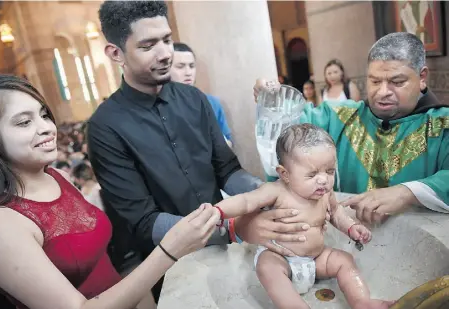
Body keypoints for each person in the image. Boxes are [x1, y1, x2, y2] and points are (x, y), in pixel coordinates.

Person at [89, 0, 315, 301]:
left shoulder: (194, 99)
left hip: (226, 247)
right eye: (148, 45)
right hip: (171, 265)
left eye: (167, 40)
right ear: (116, 53)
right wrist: (233, 227)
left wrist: (265, 193)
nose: (165, 53)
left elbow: (227, 170)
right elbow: (144, 222)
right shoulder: (106, 126)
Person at [0, 74, 219, 309]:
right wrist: (169, 250)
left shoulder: (58, 178)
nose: (46, 128)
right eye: (24, 122)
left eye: (44, 115)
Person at [251, 32, 449, 227]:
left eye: (397, 82)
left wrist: (407, 192)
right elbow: (288, 131)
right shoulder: (339, 118)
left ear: (422, 77)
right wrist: (271, 102)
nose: (383, 92)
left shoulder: (442, 126)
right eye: (374, 81)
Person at [215, 124, 393, 309]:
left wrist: (350, 227)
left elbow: (336, 213)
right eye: (312, 174)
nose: (323, 179)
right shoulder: (276, 191)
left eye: (330, 171)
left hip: (316, 259)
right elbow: (245, 202)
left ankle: (361, 301)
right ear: (285, 174)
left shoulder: (325, 193)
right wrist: (218, 212)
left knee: (344, 261)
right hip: (281, 257)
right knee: (267, 267)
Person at [170, 42, 233, 147]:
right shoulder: (161, 107)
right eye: (180, 66)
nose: (188, 72)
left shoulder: (211, 102)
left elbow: (229, 144)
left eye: (191, 66)